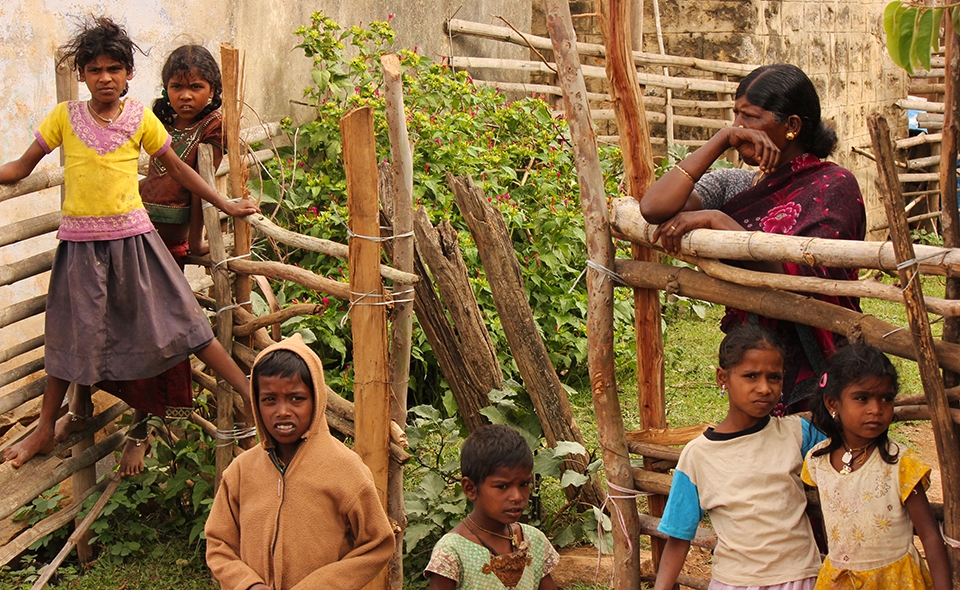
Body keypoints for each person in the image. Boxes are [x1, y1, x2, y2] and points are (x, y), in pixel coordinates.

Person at [0, 16, 259, 468]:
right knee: (68, 337)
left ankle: (247, 390)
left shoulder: (140, 118)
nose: (105, 78)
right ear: (81, 75)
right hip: (81, 250)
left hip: (137, 243)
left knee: (185, 320)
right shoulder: (65, 117)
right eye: (95, 70)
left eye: (114, 69)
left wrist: (227, 204)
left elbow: (181, 170)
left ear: (129, 74)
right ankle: (44, 427)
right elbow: (22, 167)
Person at [640, 63, 866, 411]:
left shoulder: (834, 185)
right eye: (736, 116)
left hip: (813, 362)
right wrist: (720, 141)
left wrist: (717, 219)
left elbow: (800, 279)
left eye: (751, 118)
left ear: (791, 126)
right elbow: (654, 208)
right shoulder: (737, 184)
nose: (740, 128)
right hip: (752, 356)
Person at [205, 334, 394, 589]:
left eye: (296, 398)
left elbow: (377, 544)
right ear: (257, 403)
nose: (282, 411)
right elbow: (219, 542)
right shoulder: (241, 472)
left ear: (316, 399)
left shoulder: (346, 470)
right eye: (269, 399)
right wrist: (248, 584)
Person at [115, 44, 225, 477]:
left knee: (162, 331)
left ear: (213, 90)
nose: (185, 95)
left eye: (196, 87)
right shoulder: (157, 121)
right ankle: (130, 416)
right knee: (133, 325)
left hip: (169, 242)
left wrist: (196, 241)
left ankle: (142, 428)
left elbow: (200, 187)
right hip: (135, 232)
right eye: (177, 86)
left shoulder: (213, 127)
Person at [654, 324, 826, 590]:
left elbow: (848, 458)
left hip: (800, 578)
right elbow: (679, 537)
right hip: (736, 582)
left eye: (774, 377)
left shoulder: (797, 435)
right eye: (751, 376)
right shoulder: (698, 456)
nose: (764, 388)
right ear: (722, 378)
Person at [802, 344, 950, 590]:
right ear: (833, 404)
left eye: (886, 398)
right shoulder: (817, 461)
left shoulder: (900, 464)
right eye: (862, 398)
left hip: (896, 581)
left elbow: (931, 536)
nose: (876, 409)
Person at [425, 424, 560, 590]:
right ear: (470, 489)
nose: (517, 497)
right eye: (502, 487)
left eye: (524, 484)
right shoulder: (451, 552)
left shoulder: (533, 540)